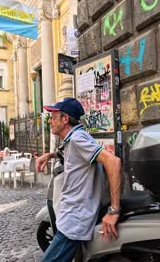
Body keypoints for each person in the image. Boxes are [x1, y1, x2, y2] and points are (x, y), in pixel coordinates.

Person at [35, 97, 122, 262]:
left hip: (74, 219)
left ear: (65, 119)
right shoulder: (74, 138)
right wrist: (49, 155)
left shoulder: (77, 139)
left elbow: (113, 161)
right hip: (73, 214)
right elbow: (74, 156)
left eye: (53, 117)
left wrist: (114, 210)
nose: (50, 121)